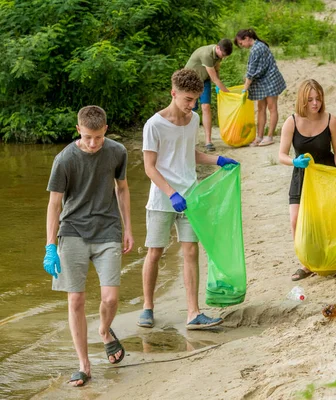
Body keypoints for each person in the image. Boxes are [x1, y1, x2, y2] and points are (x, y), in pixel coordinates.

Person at [138, 69, 238, 330]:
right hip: (163, 199)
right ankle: (148, 307)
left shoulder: (193, 120)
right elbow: (149, 167)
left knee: (191, 251)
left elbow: (188, 153)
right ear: (173, 93)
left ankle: (193, 313)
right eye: (187, 99)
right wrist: (171, 193)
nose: (192, 105)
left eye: (195, 100)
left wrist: (218, 160)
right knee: (155, 252)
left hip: (190, 196)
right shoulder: (154, 124)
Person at [43, 105, 134, 387]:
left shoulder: (117, 151)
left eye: (98, 137)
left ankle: (105, 331)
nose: (93, 144)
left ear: (105, 129)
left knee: (110, 298)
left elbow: (122, 188)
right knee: (76, 299)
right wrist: (49, 245)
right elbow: (54, 204)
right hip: (72, 232)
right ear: (78, 130)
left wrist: (128, 228)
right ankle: (84, 364)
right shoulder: (64, 159)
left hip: (107, 230)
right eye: (87, 137)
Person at [278, 79, 336, 281]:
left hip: (326, 176)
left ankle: (325, 259)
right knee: (296, 220)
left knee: (323, 222)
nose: (315, 103)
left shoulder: (331, 120)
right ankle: (306, 263)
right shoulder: (292, 122)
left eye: (318, 99)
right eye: (310, 100)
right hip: (301, 175)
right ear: (302, 101)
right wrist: (294, 162)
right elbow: (281, 155)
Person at [235, 29, 286, 147]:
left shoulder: (258, 48)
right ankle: (259, 136)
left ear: (247, 38)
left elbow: (251, 72)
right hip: (261, 82)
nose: (242, 46)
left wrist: (244, 89)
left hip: (271, 80)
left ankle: (269, 136)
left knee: (272, 108)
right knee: (261, 108)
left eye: (241, 43)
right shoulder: (256, 47)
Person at [185, 39, 234, 152]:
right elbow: (214, 78)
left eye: (225, 56)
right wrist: (228, 94)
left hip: (204, 80)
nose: (223, 57)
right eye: (223, 55)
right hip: (191, 80)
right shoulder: (206, 54)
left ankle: (208, 141)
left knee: (206, 107)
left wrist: (218, 84)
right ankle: (187, 139)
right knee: (190, 109)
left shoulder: (218, 54)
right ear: (218, 47)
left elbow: (216, 71)